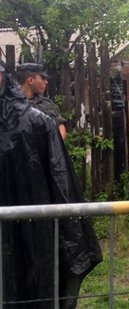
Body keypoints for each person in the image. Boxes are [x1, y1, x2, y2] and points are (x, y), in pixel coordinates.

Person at [1, 64, 103, 308]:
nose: (45, 82)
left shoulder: (37, 121)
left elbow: (60, 179)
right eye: (41, 78)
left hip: (33, 225)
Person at [14, 63, 67, 139]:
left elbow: (60, 129)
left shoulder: (47, 104)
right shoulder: (8, 105)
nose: (46, 82)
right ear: (31, 80)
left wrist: (53, 144)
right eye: (43, 78)